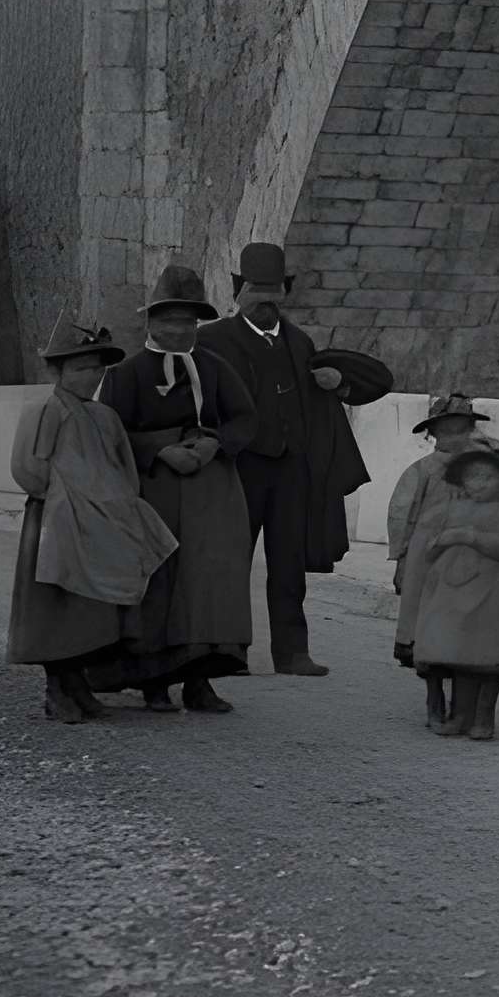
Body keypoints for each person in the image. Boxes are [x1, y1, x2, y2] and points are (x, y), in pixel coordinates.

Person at [194, 241, 387, 677]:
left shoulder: (300, 342)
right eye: (257, 289)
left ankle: (292, 651)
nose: (266, 299)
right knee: (229, 559)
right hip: (237, 468)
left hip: (290, 471)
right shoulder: (211, 339)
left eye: (274, 289)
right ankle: (228, 649)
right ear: (240, 292)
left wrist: (336, 384)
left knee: (289, 562)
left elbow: (328, 395)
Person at [98, 265, 257, 714]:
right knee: (159, 579)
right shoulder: (125, 374)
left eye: (188, 322)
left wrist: (213, 444)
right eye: (169, 320)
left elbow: (246, 419)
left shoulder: (216, 368)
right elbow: (111, 431)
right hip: (155, 487)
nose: (178, 330)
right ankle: (153, 681)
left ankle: (200, 681)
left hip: (212, 489)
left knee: (208, 580)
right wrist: (158, 450)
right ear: (150, 323)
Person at [6, 318, 177, 725]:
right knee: (56, 604)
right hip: (58, 518)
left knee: (91, 607)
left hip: (105, 520)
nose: (91, 377)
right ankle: (56, 687)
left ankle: (78, 681)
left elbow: (123, 468)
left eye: (96, 369)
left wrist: (118, 505)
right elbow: (29, 468)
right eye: (81, 369)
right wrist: (66, 500)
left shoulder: (105, 417)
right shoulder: (44, 410)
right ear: (57, 372)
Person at [411, 440, 499, 743]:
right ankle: (460, 715)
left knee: (488, 660)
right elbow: (430, 543)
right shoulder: (452, 508)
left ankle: (484, 718)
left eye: (488, 477)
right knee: (460, 656)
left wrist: (467, 536)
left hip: (493, 595)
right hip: (455, 593)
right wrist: (439, 543)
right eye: (473, 476)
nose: (479, 484)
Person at [389, 394, 491, 731]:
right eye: (447, 430)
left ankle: (466, 708)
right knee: (427, 631)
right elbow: (402, 514)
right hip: (427, 561)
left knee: (464, 630)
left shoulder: (484, 468)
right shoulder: (421, 471)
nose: (454, 437)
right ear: (433, 434)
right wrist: (401, 559)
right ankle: (434, 699)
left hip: (469, 557)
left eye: (462, 429)